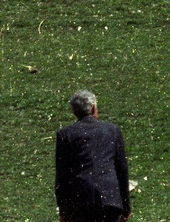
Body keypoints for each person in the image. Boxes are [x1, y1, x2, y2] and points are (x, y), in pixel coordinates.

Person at [54, 90, 130, 222]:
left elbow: (62, 175)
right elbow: (122, 170)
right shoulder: (112, 131)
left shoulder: (65, 134)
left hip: (80, 200)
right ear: (94, 108)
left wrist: (64, 210)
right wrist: (126, 207)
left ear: (74, 111)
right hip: (109, 199)